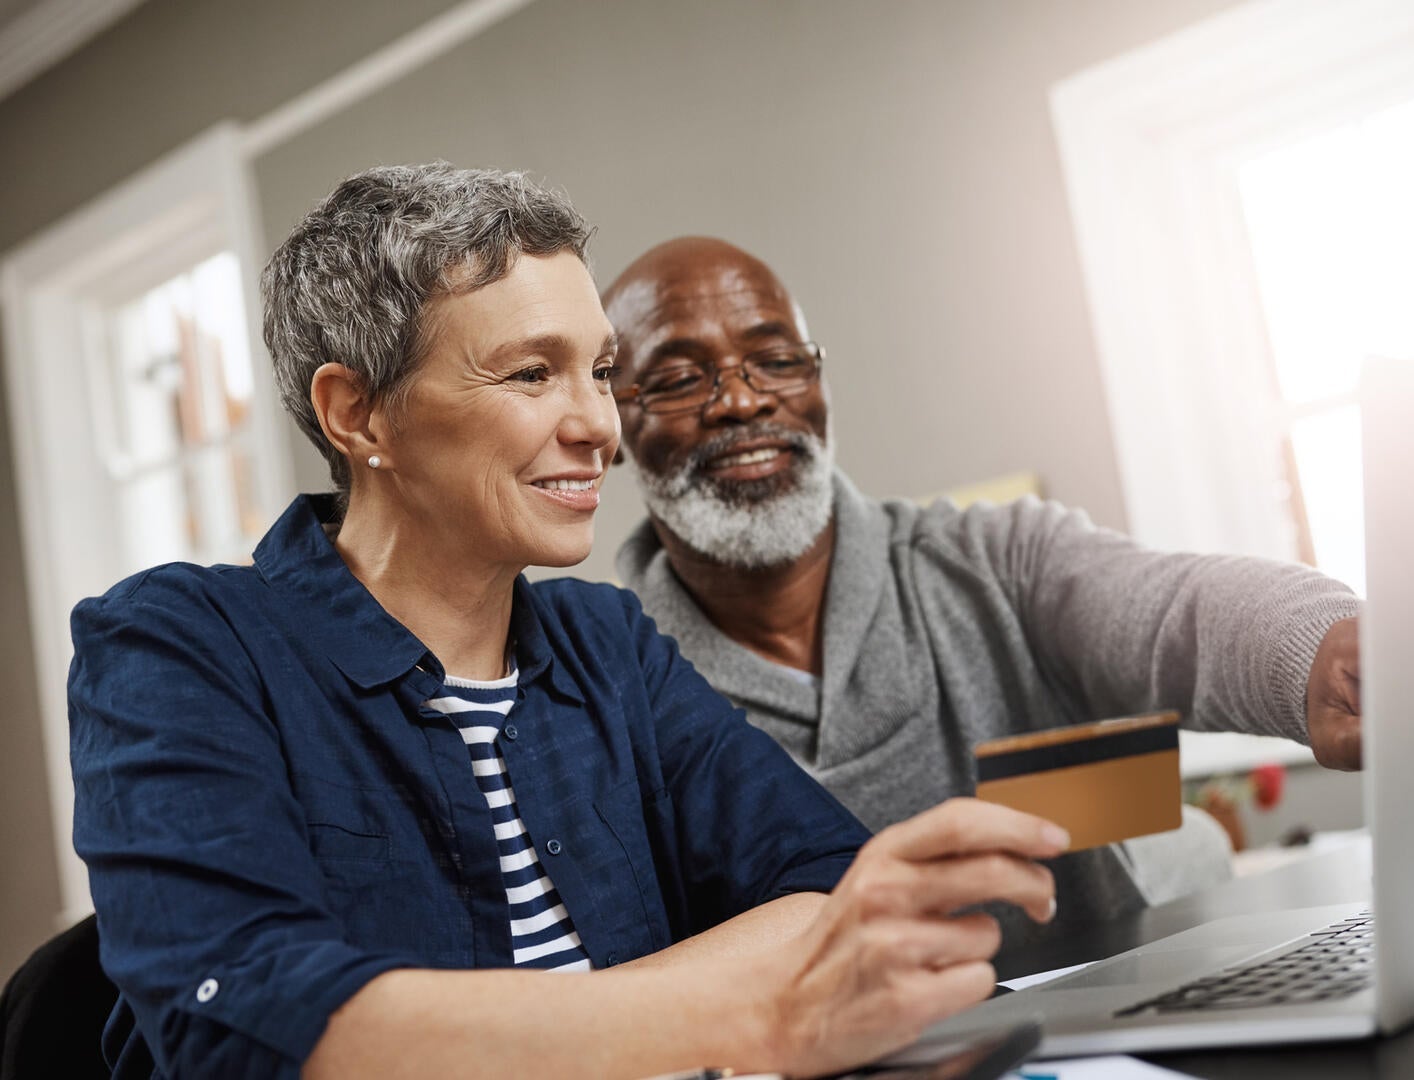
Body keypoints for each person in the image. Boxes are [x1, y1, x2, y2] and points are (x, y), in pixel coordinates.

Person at [67, 166, 1064, 1080]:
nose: (600, 424)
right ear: (358, 416)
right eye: (532, 374)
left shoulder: (607, 644)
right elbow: (251, 1021)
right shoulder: (175, 646)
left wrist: (534, 1028)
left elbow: (828, 889)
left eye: (598, 368)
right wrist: (747, 1014)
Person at [602, 237, 1366, 945]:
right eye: (677, 378)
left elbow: (1176, 612)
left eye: (777, 360)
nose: (742, 401)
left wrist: (1321, 653)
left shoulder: (996, 560)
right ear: (612, 423)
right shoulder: (604, 693)